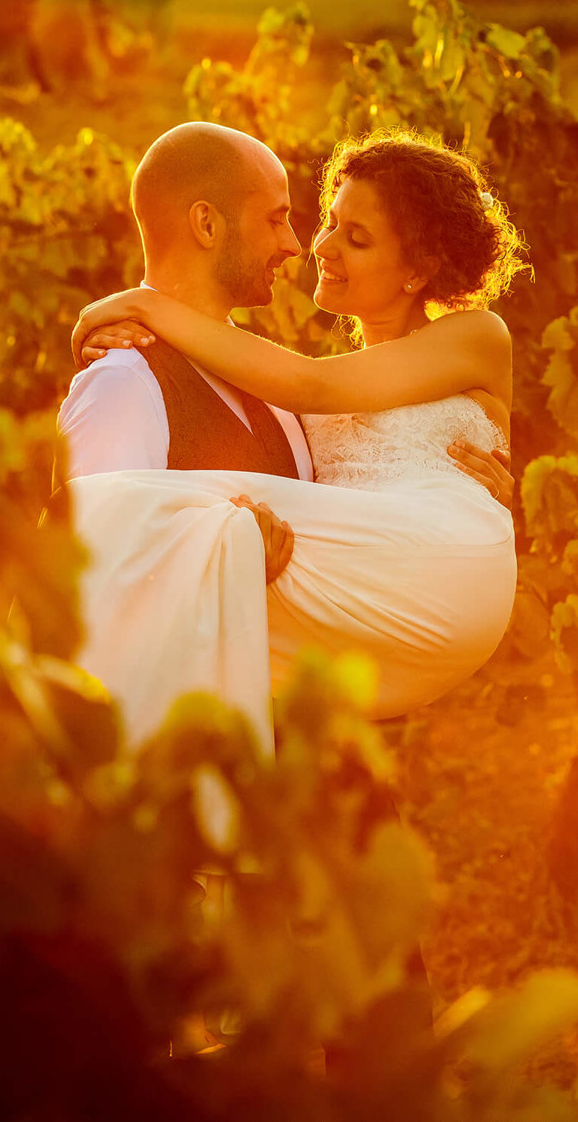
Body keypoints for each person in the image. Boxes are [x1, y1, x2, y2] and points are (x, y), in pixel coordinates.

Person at [58, 125, 523, 749]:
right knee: (127, 516)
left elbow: (309, 386)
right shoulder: (145, 380)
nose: (313, 245)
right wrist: (240, 549)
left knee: (113, 511)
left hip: (441, 558)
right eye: (326, 221)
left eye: (355, 239)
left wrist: (142, 307)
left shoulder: (474, 337)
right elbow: (101, 580)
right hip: (353, 633)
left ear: (418, 273)